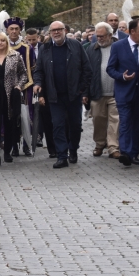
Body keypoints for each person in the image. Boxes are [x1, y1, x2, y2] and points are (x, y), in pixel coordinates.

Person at [33, 21, 92, 169]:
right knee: (58, 125)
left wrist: (82, 89)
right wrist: (38, 83)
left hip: (73, 94)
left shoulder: (75, 45)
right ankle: (61, 156)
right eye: (53, 31)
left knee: (75, 125)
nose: (56, 33)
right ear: (50, 33)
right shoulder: (45, 49)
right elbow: (39, 70)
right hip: (54, 95)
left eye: (59, 30)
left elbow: (87, 69)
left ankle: (73, 149)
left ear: (65, 30)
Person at [107, 19, 139, 166]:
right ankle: (126, 153)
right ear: (132, 31)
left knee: (137, 124)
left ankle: (133, 154)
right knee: (126, 121)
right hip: (124, 92)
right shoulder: (118, 46)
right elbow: (110, 68)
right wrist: (122, 76)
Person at [0, 32, 27, 165]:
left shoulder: (15, 56)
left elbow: (23, 74)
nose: (0, 43)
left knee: (10, 123)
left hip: (10, 95)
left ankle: (7, 152)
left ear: (6, 42)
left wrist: (19, 86)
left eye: (2, 40)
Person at [86, 22, 120, 159]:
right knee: (98, 120)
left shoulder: (119, 47)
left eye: (102, 36)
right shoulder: (91, 49)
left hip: (115, 92)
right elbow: (86, 72)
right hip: (97, 92)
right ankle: (100, 144)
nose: (99, 38)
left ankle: (113, 147)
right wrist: (85, 92)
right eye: (97, 36)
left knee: (115, 121)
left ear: (110, 35)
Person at [4, 17, 35, 157]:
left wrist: (23, 85)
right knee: (11, 117)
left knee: (25, 116)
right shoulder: (2, 47)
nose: (14, 31)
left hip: (25, 86)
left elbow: (32, 68)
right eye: (12, 29)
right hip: (7, 88)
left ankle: (27, 144)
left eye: (17, 29)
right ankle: (14, 144)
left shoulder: (27, 48)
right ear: (7, 30)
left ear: (20, 30)